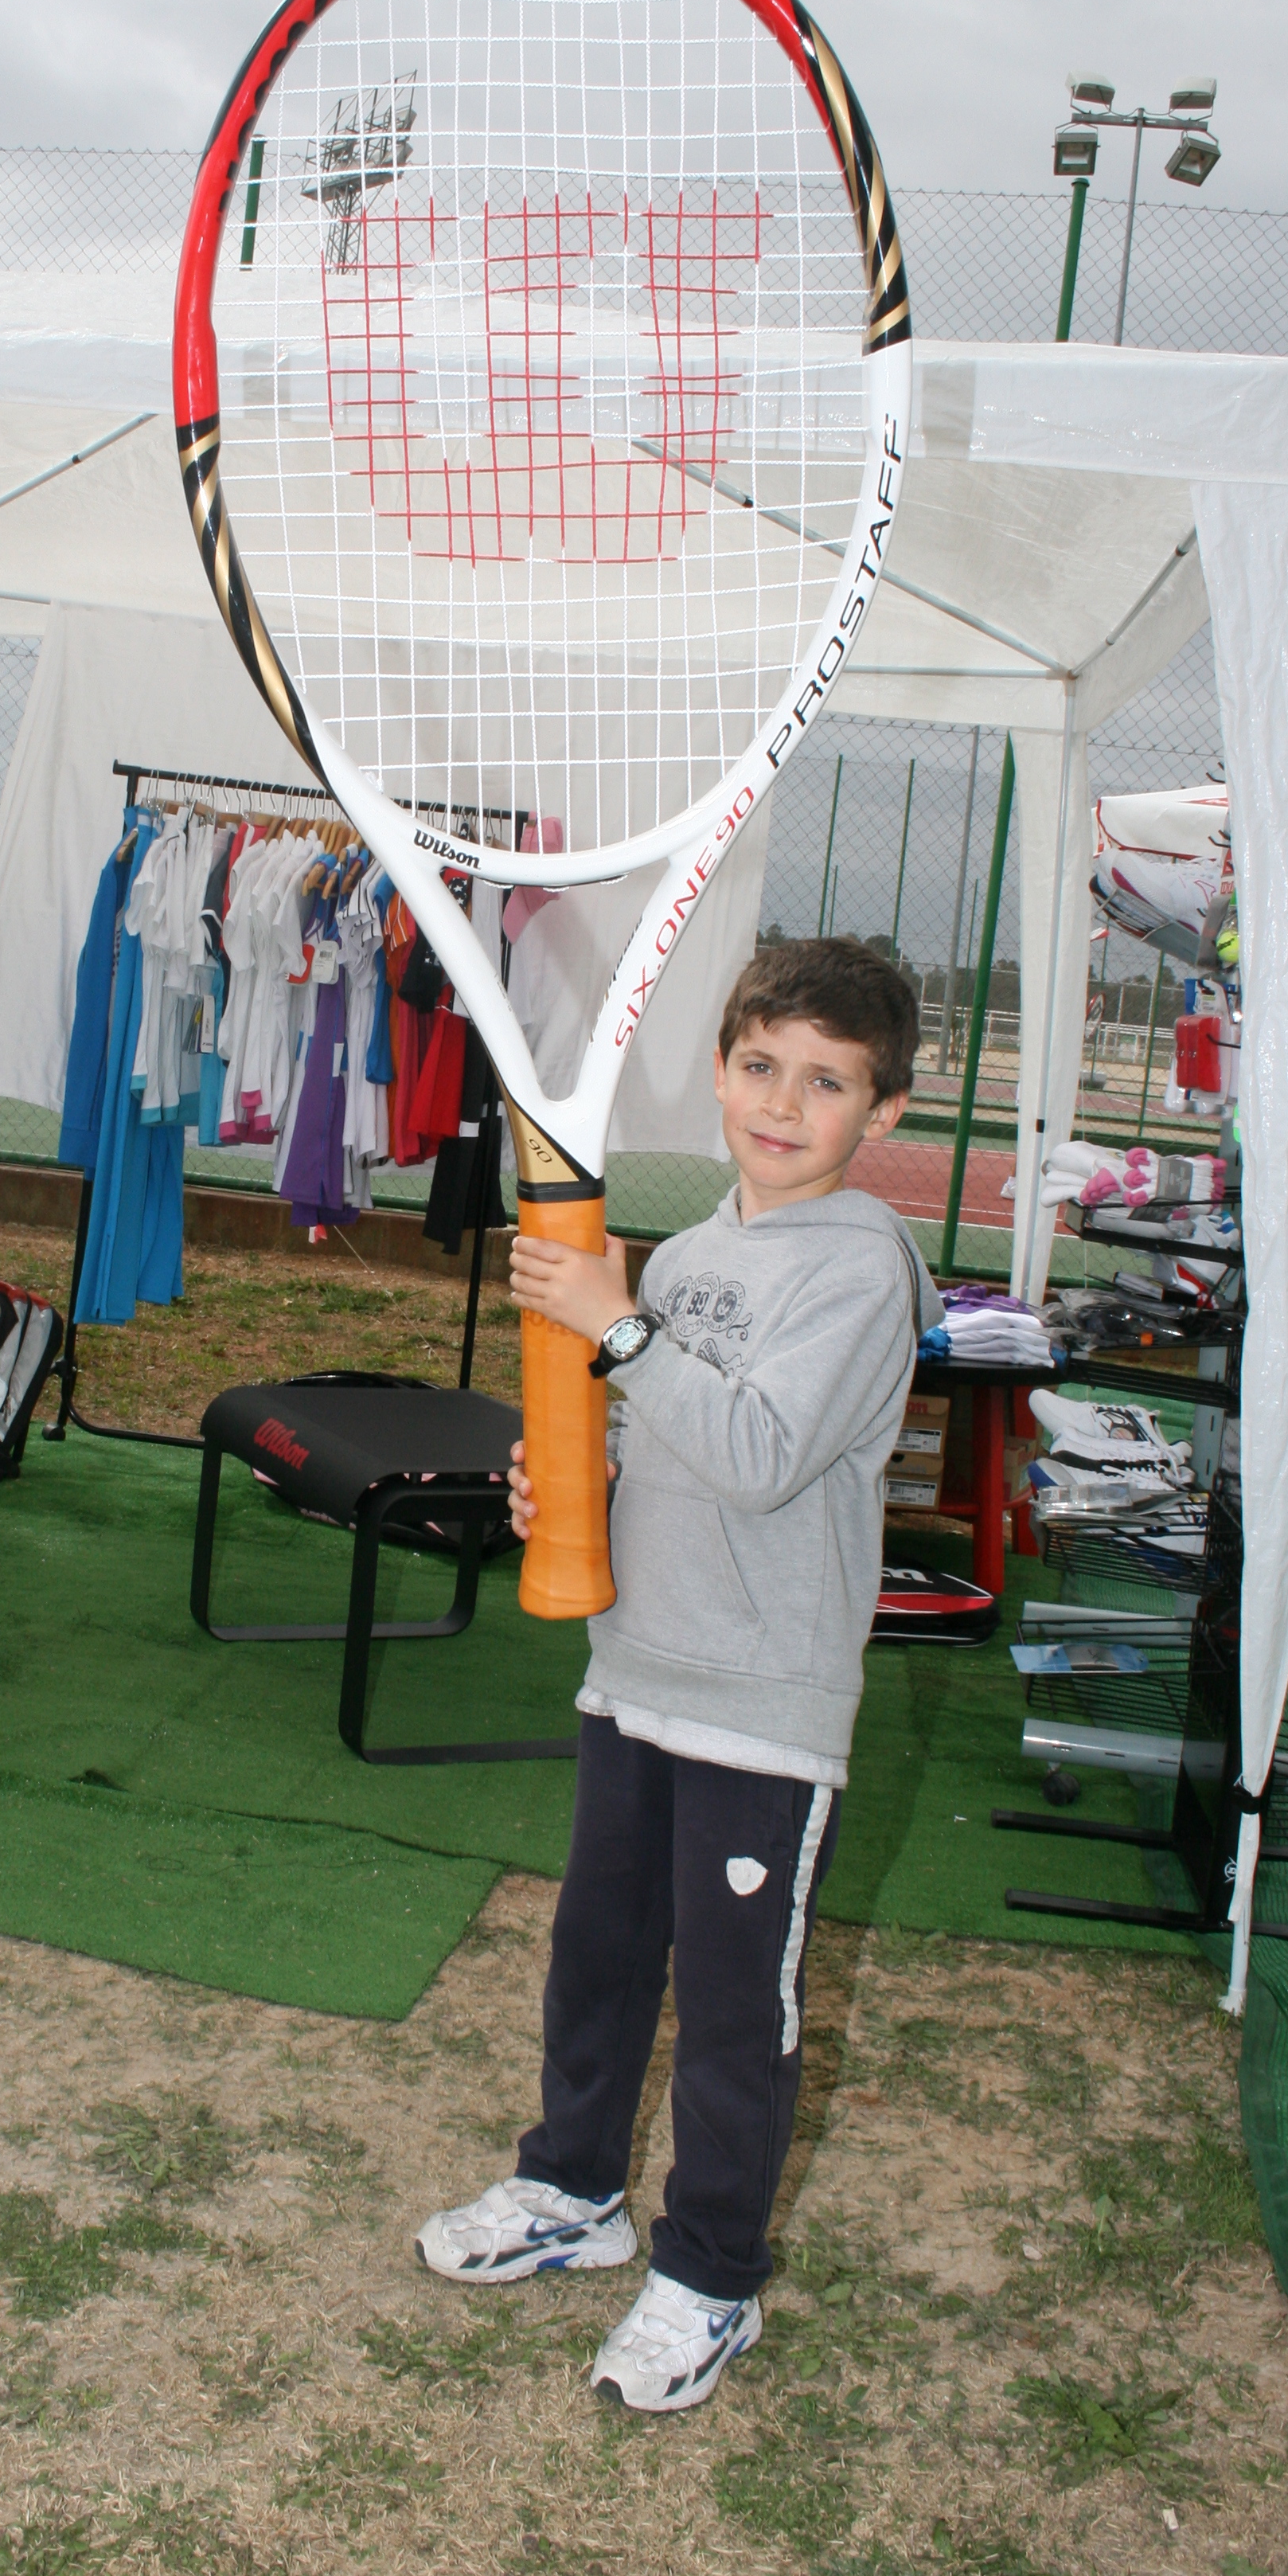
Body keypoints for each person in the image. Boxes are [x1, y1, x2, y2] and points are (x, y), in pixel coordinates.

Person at [416, 936, 943, 2412]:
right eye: (760, 1066)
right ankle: (573, 2192)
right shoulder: (693, 1257)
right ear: (718, 1071)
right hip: (634, 1674)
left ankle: (710, 2276)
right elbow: (665, 1435)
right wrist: (573, 1484)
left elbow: (762, 1455)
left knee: (729, 2012)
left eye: (827, 1082)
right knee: (597, 1958)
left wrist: (615, 1324)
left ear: (884, 1112)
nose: (782, 1103)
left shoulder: (861, 1271)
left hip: (760, 1710)